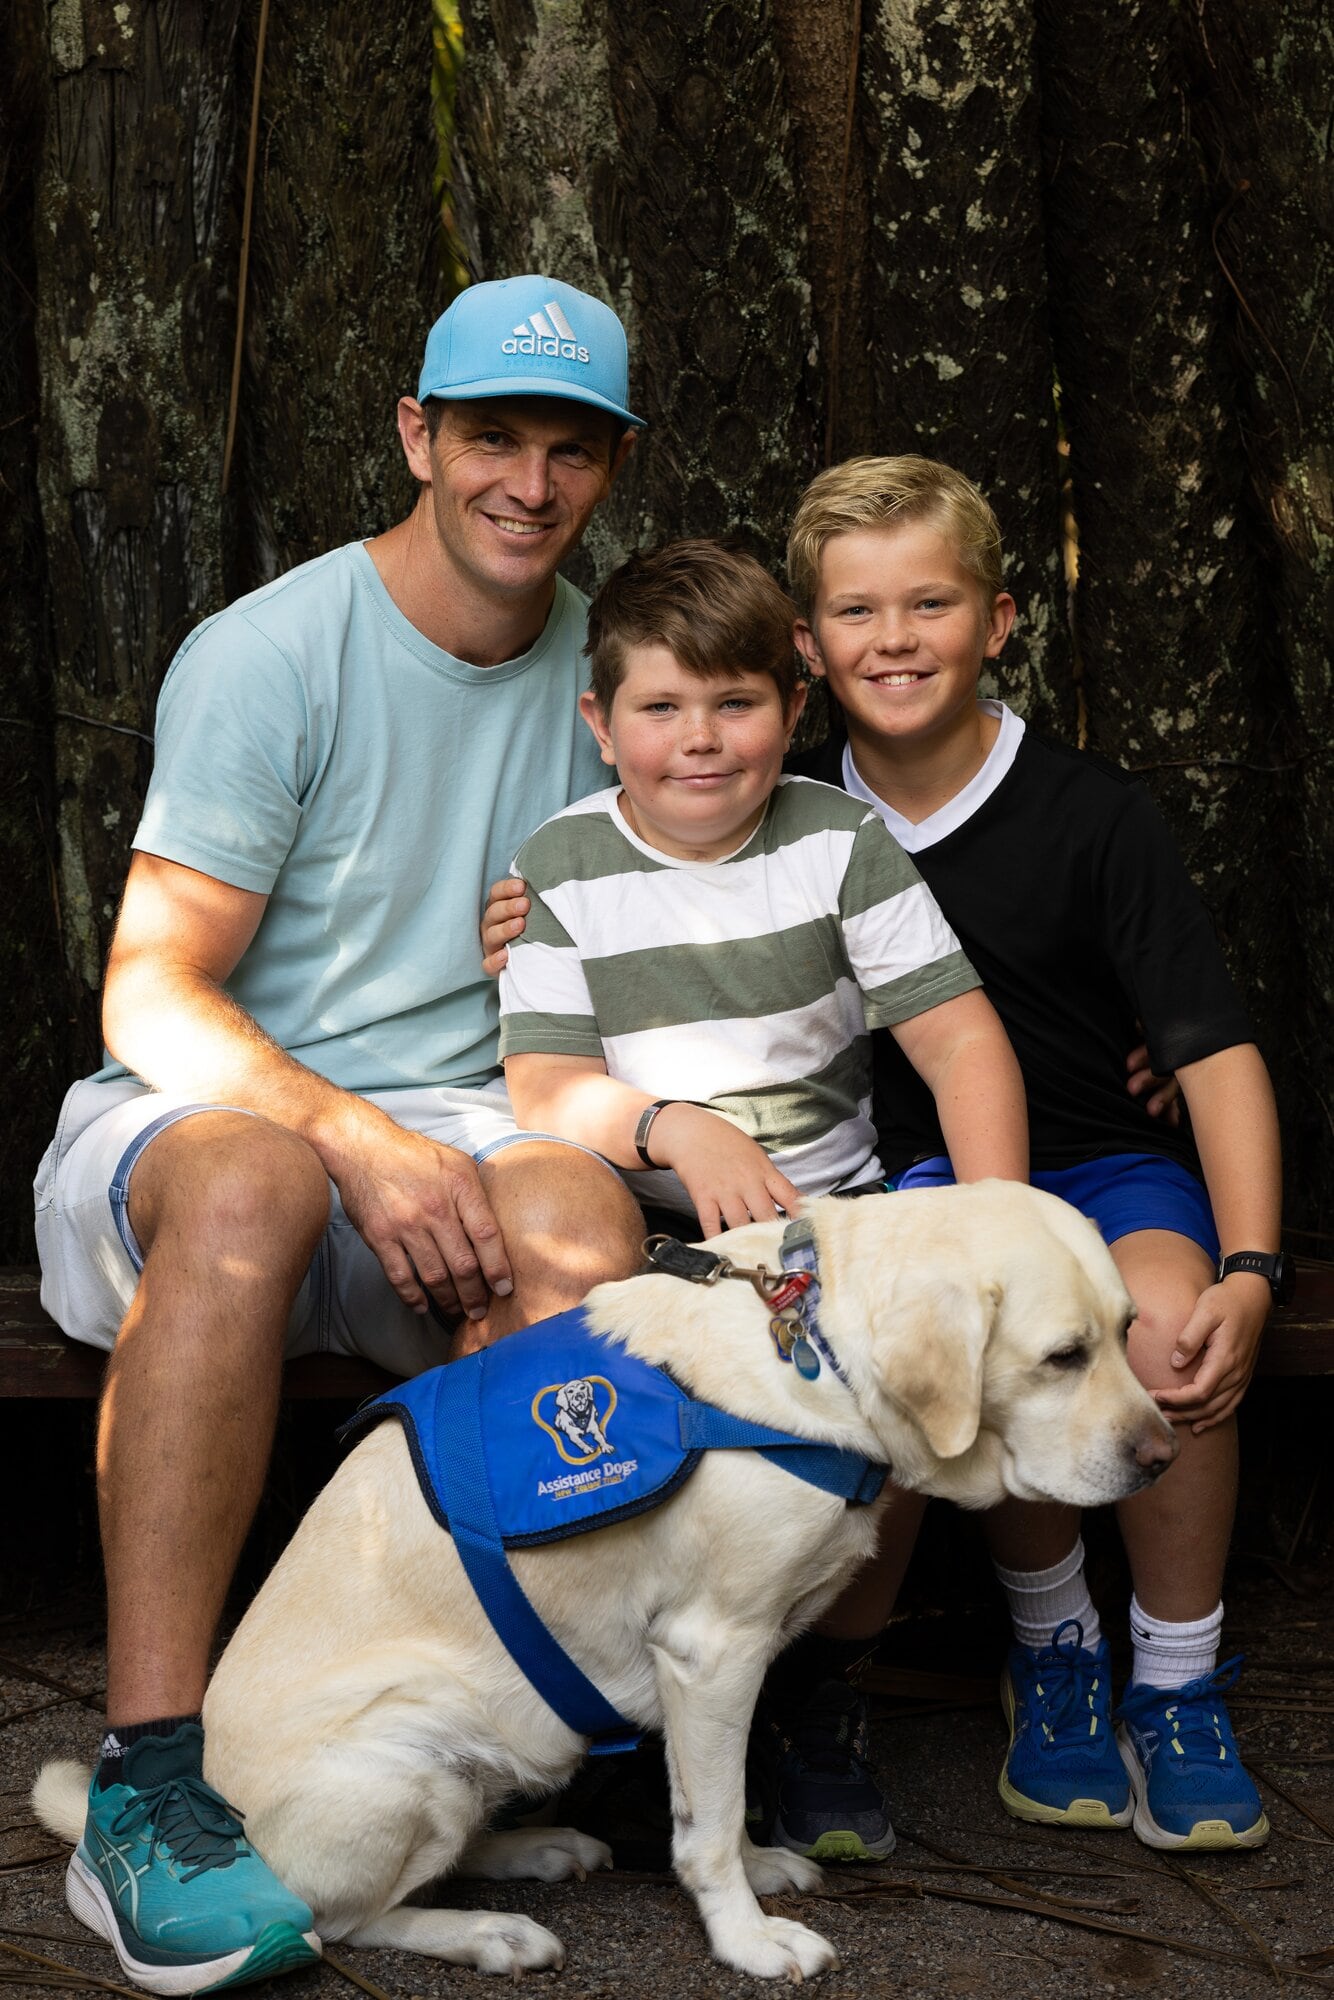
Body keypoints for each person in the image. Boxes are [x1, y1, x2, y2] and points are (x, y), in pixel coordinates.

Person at [33, 274, 654, 1995]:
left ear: (608, 467)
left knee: (583, 1233)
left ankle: (462, 1755)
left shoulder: (617, 679)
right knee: (258, 1175)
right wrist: (365, 1146)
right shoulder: (271, 651)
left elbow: (746, 910)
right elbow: (150, 996)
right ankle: (153, 1791)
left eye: (568, 450)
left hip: (475, 1121)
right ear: (416, 437)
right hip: (209, 1124)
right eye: (489, 440)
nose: (526, 483)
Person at [492, 537, 1028, 1863]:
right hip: (645, 1222)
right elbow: (547, 1082)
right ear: (598, 722)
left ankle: (819, 1703)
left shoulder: (835, 842)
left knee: (884, 1427)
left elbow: (956, 1038)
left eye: (734, 705)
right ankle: (612, 1722)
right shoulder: (562, 865)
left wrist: (993, 1216)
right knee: (624, 1429)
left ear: (792, 711)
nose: (700, 741)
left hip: (828, 1212)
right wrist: (674, 1131)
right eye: (660, 708)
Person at [782, 454, 1283, 1853]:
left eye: (929, 602)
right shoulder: (776, 806)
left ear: (998, 619)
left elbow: (1211, 1052)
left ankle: (1176, 1681)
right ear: (809, 641)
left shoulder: (1091, 813)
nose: (893, 640)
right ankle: (1050, 1648)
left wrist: (1249, 1266)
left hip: (1101, 1164)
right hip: (914, 1188)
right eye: (856, 612)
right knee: (972, 1329)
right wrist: (531, 913)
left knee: (1170, 1333)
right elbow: (630, 885)